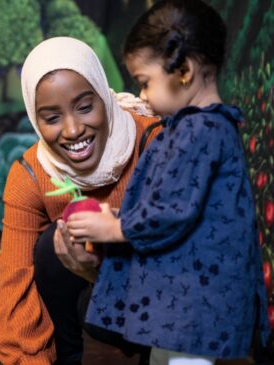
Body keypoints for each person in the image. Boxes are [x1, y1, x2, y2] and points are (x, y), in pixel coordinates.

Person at [64, 1, 271, 364]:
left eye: (145, 82)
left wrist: (115, 227)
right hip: (185, 298)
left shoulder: (200, 129)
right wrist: (115, 216)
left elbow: (173, 211)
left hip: (194, 302)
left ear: (184, 71)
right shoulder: (194, 127)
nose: (142, 95)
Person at [0, 36, 162, 365]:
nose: (72, 130)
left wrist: (103, 270)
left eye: (85, 107)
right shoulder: (30, 173)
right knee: (47, 248)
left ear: (104, 97)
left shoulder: (156, 144)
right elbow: (16, 285)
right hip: (87, 298)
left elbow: (187, 265)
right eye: (52, 118)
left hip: (156, 303)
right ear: (35, 119)